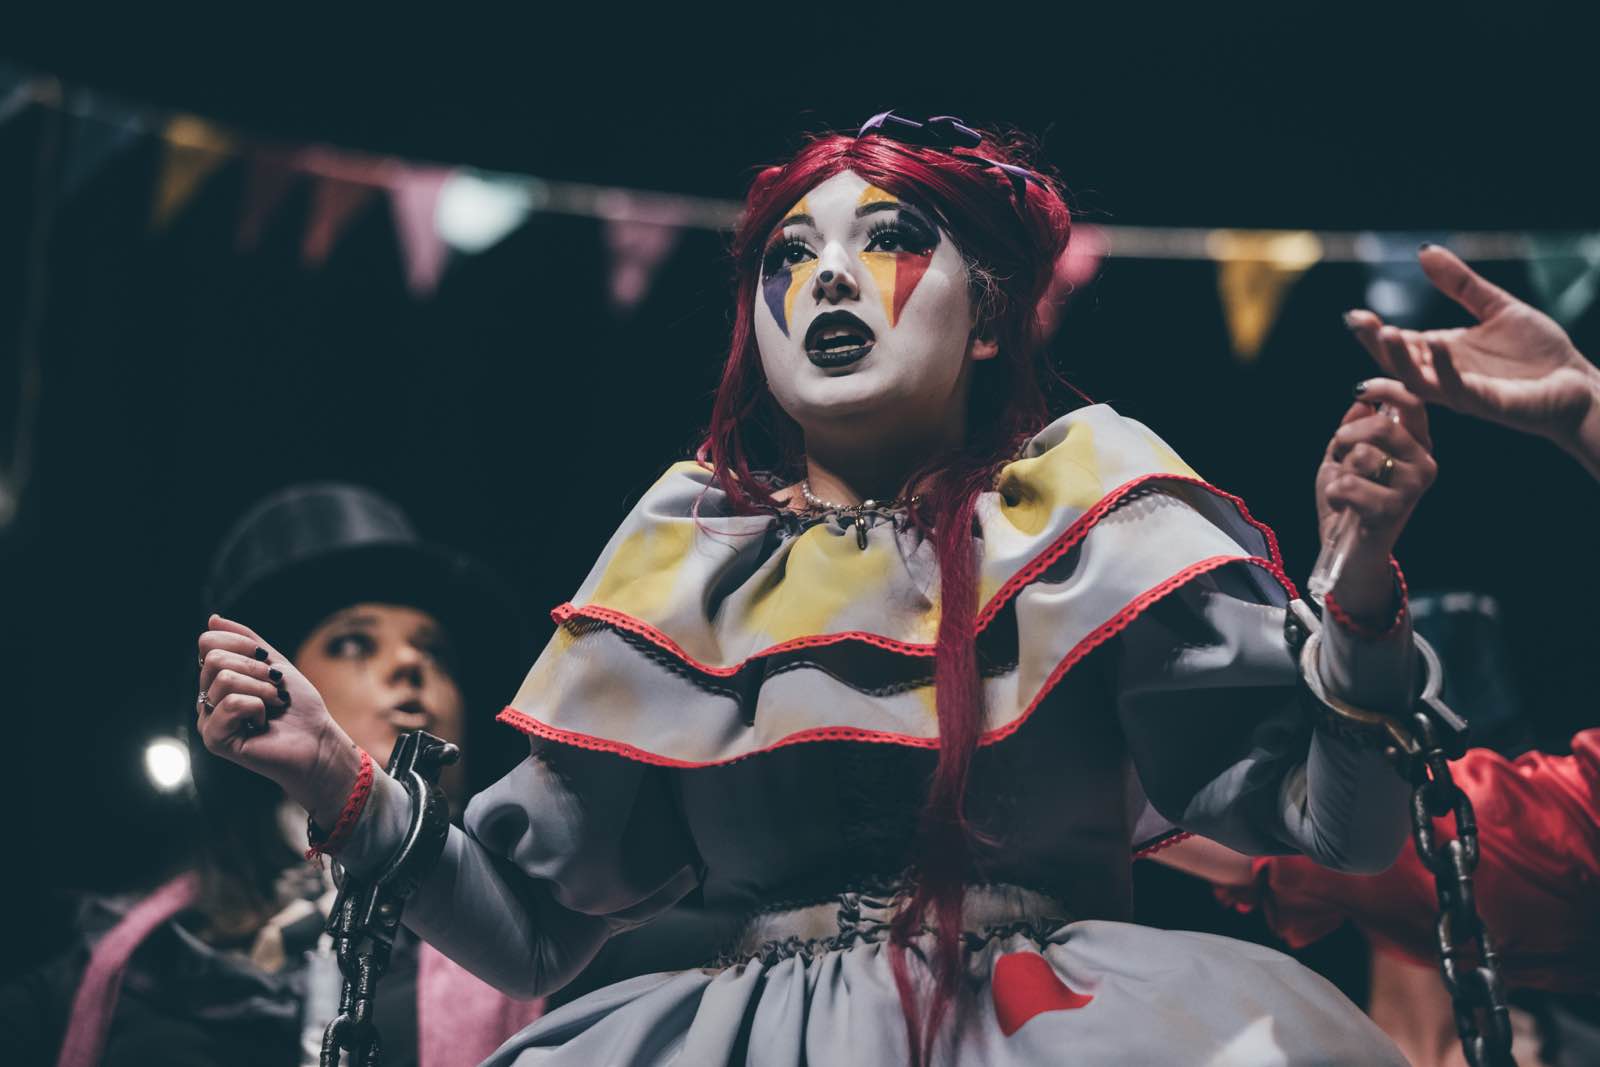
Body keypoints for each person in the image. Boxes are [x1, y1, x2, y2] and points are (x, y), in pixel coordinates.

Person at [197, 114, 1440, 1065]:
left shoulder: (1091, 515)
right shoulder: (690, 563)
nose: (831, 279)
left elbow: (1348, 832)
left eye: (892, 239)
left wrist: (1357, 592)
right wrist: (331, 773)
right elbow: (524, 931)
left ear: (993, 315)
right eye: (791, 256)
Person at [5, 484, 542, 1067]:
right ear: (265, 693)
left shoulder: (548, 936)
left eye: (435, 651)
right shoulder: (120, 966)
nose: (413, 666)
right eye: (353, 643)